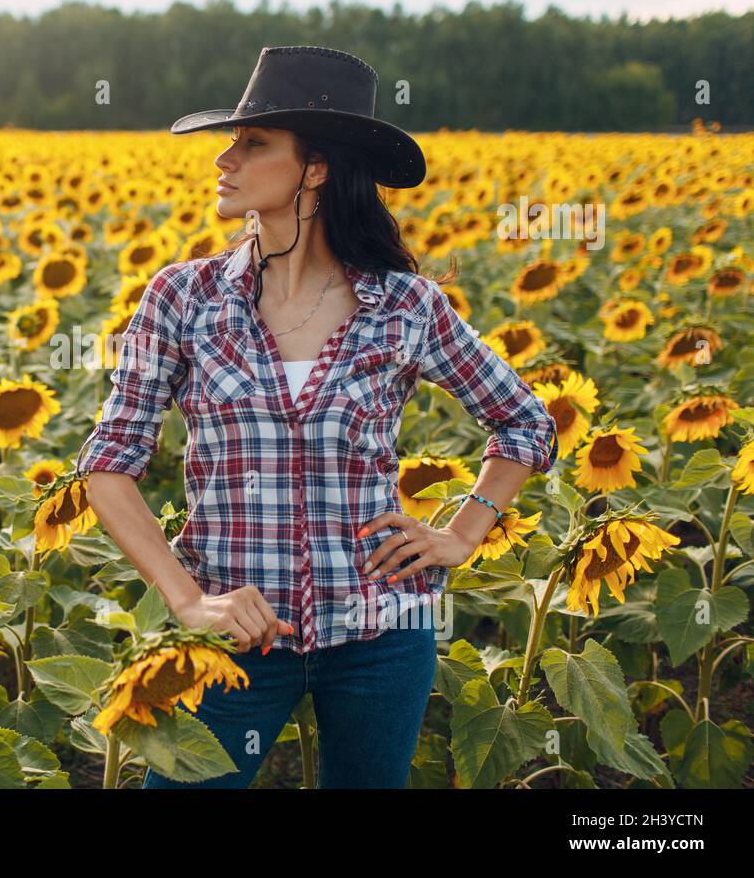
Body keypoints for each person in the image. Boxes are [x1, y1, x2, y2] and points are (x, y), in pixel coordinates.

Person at [75, 46, 559, 788]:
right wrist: (189, 600)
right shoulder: (183, 298)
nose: (225, 160)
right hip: (235, 641)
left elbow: (525, 421)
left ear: (318, 168)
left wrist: (463, 531)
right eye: (231, 141)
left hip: (381, 638)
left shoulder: (405, 305)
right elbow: (107, 464)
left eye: (253, 143)